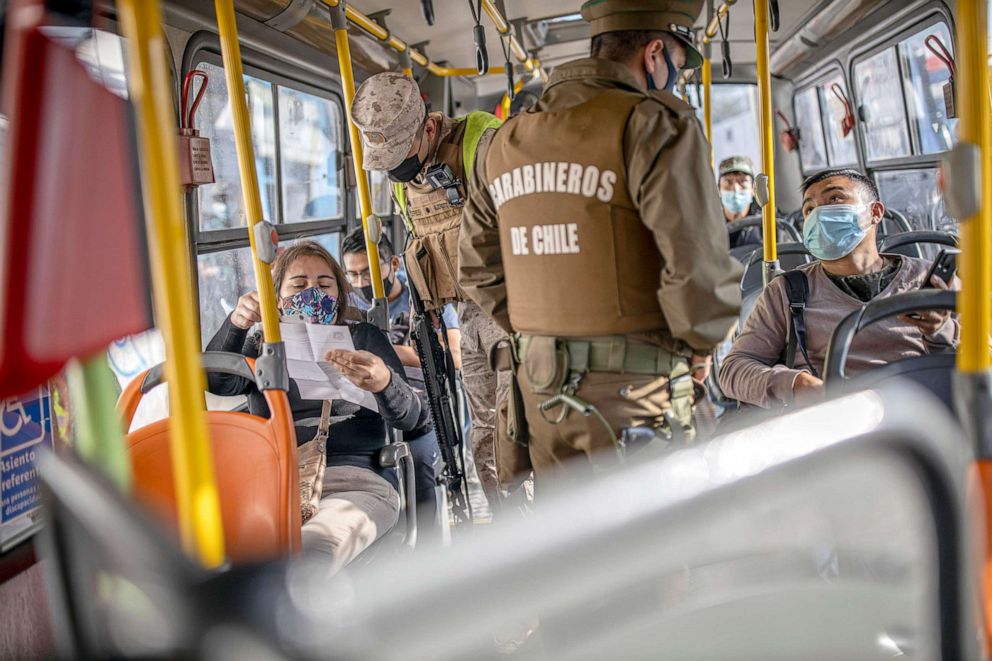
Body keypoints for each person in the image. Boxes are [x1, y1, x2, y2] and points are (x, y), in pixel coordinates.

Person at [457, 0, 743, 491]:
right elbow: (697, 269)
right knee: (653, 553)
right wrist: (698, 347)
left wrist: (544, 333)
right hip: (635, 394)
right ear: (654, 54)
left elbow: (478, 269)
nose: (674, 75)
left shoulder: (505, 141)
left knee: (574, 551)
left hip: (540, 396)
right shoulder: (653, 123)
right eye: (676, 61)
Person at [206, 240, 425, 576]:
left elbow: (411, 418)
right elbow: (218, 383)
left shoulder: (362, 337)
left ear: (339, 294)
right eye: (299, 285)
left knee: (312, 552)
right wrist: (237, 323)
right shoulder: (261, 342)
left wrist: (383, 382)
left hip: (354, 480)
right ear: (277, 298)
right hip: (273, 484)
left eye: (324, 285)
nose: (312, 293)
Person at [350, 72, 508, 513]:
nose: (398, 170)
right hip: (468, 313)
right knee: (485, 434)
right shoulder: (405, 180)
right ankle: (506, 522)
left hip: (514, 308)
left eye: (401, 156)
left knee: (518, 429)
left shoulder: (482, 142)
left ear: (430, 128)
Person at [719, 168, 959, 409]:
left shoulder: (929, 281)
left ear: (874, 212)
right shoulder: (788, 291)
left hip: (924, 407)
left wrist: (940, 329)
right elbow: (733, 370)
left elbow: (982, 357)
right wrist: (793, 384)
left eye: (835, 199)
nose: (819, 215)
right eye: (810, 209)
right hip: (839, 418)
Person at [341, 227, 462, 534]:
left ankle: (426, 545)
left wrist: (388, 353)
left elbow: (455, 354)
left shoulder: (420, 299)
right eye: (352, 275)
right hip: (369, 401)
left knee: (418, 460)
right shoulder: (348, 306)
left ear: (393, 265)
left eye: (367, 273)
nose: (360, 283)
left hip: (424, 400)